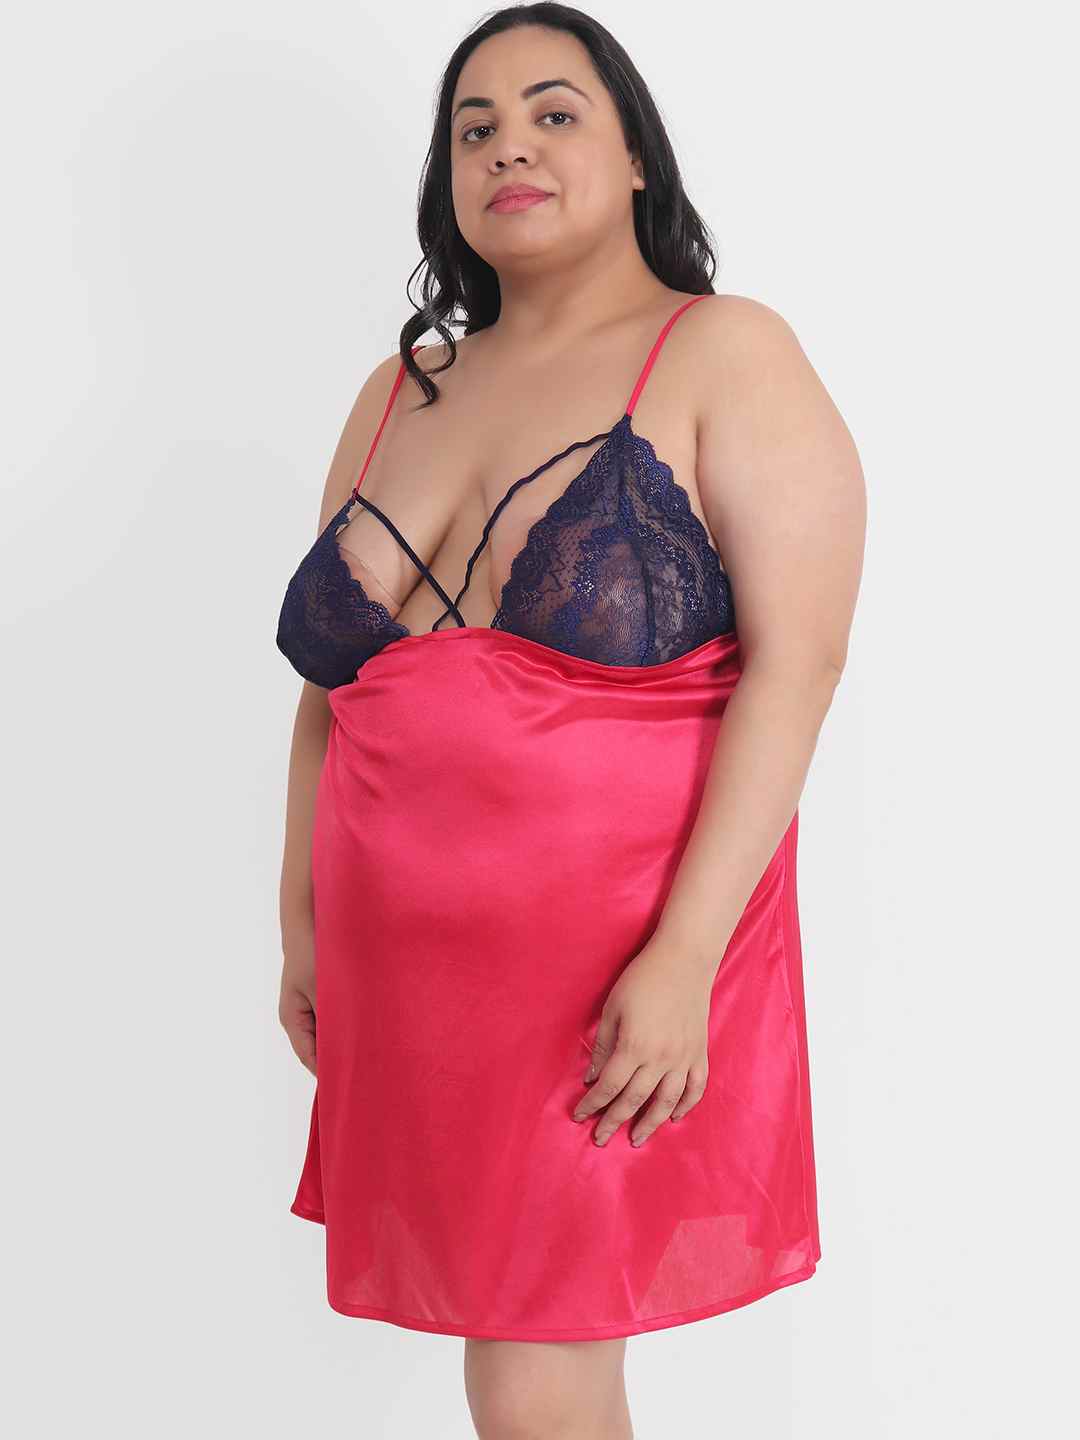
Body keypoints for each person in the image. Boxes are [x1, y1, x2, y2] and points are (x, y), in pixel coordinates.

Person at [275, 5, 865, 1436]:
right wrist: (300, 923)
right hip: (405, 971)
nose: (508, 149)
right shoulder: (397, 391)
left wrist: (684, 958)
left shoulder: (724, 352)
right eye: (473, 128)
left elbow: (799, 668)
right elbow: (330, 693)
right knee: (526, 1360)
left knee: (533, 1372)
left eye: (553, 114)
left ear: (637, 156)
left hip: (616, 960)